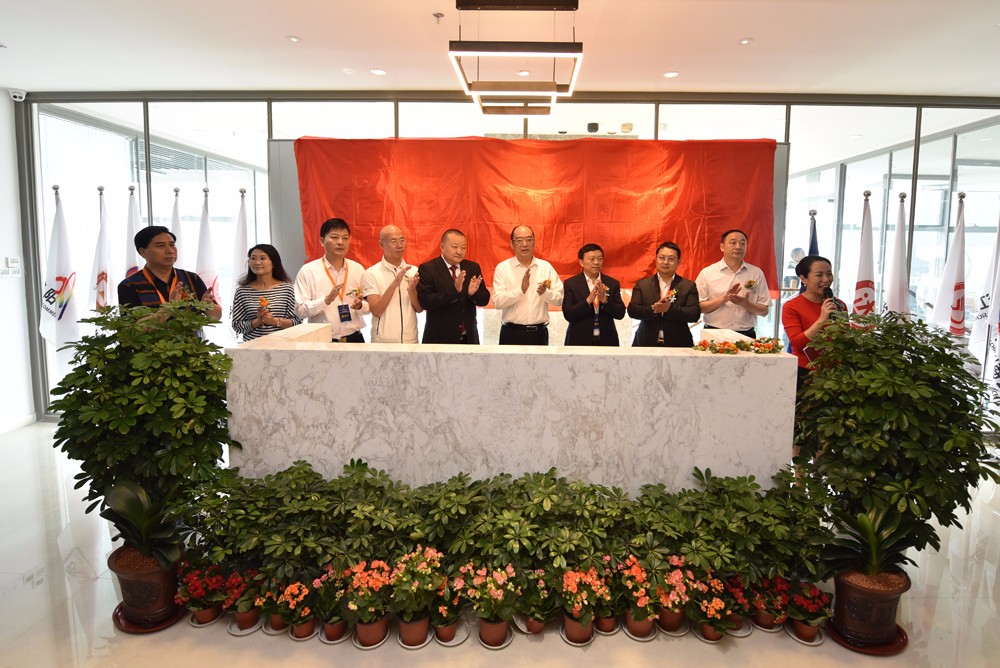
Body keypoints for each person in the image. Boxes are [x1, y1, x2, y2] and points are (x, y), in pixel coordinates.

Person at [117, 225, 221, 320]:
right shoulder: (129, 285)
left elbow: (216, 316)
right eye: (160, 246)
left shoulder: (191, 278)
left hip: (191, 336)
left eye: (172, 245)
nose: (170, 251)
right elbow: (131, 329)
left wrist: (208, 306)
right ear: (143, 252)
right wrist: (169, 309)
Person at [293, 218, 369, 342]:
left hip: (355, 338)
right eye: (334, 237)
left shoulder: (357, 269)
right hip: (322, 340)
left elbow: (369, 306)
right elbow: (300, 311)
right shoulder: (308, 271)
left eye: (345, 238)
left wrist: (360, 306)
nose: (340, 242)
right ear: (322, 241)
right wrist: (326, 300)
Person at [492, 225, 564, 345]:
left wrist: (545, 293)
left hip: (539, 334)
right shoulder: (503, 268)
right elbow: (497, 302)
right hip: (511, 334)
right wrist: (520, 291)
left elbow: (560, 299)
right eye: (519, 240)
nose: (525, 244)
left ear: (534, 242)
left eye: (529, 239)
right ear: (511, 244)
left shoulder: (545, 267)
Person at [417, 229, 490, 344]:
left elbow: (484, 299)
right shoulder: (428, 269)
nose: (459, 251)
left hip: (468, 338)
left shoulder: (472, 267)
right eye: (455, 247)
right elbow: (426, 302)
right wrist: (454, 290)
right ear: (442, 247)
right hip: (439, 339)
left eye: (463, 248)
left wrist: (473, 294)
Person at [781, 254, 845, 386]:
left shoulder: (839, 305)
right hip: (806, 372)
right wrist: (822, 319)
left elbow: (844, 338)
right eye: (819, 275)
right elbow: (797, 344)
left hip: (836, 372)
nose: (826, 280)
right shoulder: (791, 306)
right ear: (804, 279)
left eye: (829, 274)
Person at [695, 229, 770, 338]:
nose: (738, 247)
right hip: (714, 334)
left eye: (742, 243)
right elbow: (699, 308)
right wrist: (724, 299)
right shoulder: (707, 273)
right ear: (722, 247)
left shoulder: (756, 273)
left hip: (746, 335)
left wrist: (745, 303)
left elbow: (764, 311)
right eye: (733, 243)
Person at [627, 241, 700, 347]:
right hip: (646, 342)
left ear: (678, 262)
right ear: (656, 259)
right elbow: (632, 311)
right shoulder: (642, 284)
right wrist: (654, 308)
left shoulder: (688, 286)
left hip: (678, 344)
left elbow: (694, 314)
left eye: (671, 259)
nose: (666, 262)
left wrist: (669, 309)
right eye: (661, 258)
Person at [360, 225, 423, 343]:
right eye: (393, 241)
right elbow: (376, 310)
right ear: (381, 244)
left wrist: (412, 292)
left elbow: (419, 309)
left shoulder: (413, 271)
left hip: (410, 339)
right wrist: (394, 284)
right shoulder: (371, 273)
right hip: (383, 341)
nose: (399, 245)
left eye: (402, 240)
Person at [231, 244, 301, 342]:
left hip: (283, 346)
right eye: (253, 258)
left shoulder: (287, 289)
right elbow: (236, 326)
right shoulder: (242, 292)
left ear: (274, 263)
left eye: (263, 258)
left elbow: (297, 322)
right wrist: (257, 321)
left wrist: (273, 321)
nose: (257, 262)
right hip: (251, 347)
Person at [561, 243, 626, 346]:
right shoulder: (571, 284)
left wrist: (605, 300)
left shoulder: (612, 283)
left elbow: (620, 313)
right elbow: (568, 314)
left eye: (600, 259)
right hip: (579, 340)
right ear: (581, 262)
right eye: (592, 259)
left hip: (607, 340)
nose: (596, 262)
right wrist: (588, 301)